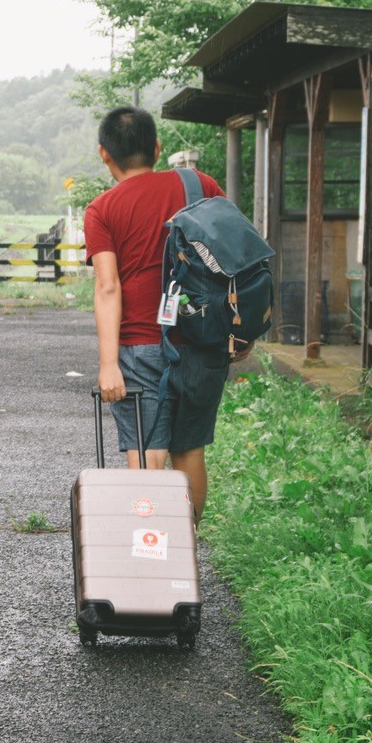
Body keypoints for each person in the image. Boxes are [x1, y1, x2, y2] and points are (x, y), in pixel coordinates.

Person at [84, 105, 231, 518]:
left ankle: (152, 563)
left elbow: (108, 286)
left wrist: (109, 363)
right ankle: (185, 554)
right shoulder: (201, 186)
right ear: (157, 146)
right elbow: (232, 259)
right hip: (201, 342)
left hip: (141, 346)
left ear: (104, 154)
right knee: (189, 454)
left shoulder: (102, 209)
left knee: (147, 457)